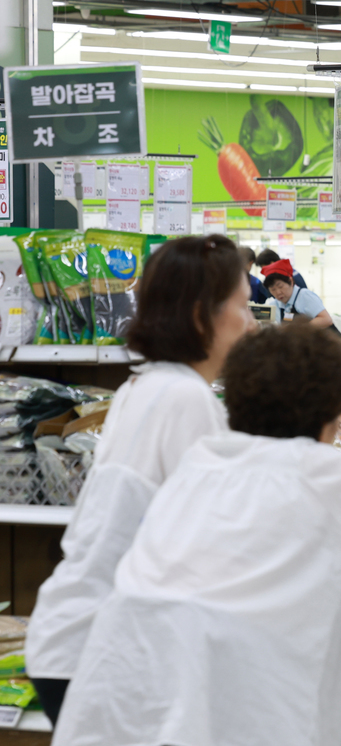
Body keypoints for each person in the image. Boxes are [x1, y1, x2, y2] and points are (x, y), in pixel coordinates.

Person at [50, 324, 341, 746]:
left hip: (120, 681)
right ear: (340, 410)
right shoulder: (329, 472)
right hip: (237, 701)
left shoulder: (202, 457)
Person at [26, 235, 253, 724]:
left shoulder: (146, 386)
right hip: (98, 645)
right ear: (200, 316)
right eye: (244, 307)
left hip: (73, 633)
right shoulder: (184, 399)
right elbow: (210, 538)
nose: (252, 325)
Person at [262, 259, 333, 329]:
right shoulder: (274, 305)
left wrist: (299, 329)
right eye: (273, 289)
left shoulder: (305, 296)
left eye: (280, 286)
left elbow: (326, 320)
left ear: (291, 281)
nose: (278, 292)